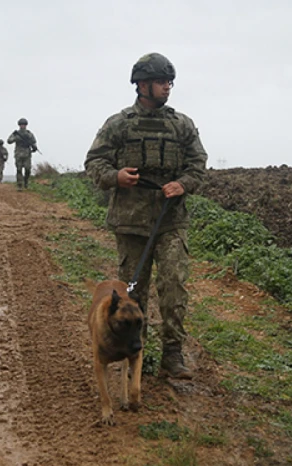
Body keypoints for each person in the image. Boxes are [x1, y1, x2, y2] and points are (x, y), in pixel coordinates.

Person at [83, 53, 208, 379]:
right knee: (133, 295)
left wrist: (182, 184)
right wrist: (116, 176)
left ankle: (172, 354)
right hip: (130, 221)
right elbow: (94, 162)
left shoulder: (182, 125)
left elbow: (198, 166)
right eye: (161, 81)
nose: (168, 87)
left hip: (170, 219)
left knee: (174, 286)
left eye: (169, 81)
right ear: (141, 85)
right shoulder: (118, 124)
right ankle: (135, 354)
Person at [7, 118, 37, 190]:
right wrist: (16, 138)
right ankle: (19, 185)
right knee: (19, 169)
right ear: (19, 125)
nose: (22, 126)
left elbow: (34, 142)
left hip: (27, 153)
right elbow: (9, 141)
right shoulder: (16, 134)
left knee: (27, 169)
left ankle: (26, 182)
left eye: (24, 125)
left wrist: (34, 147)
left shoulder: (29, 134)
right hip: (18, 153)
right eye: (21, 125)